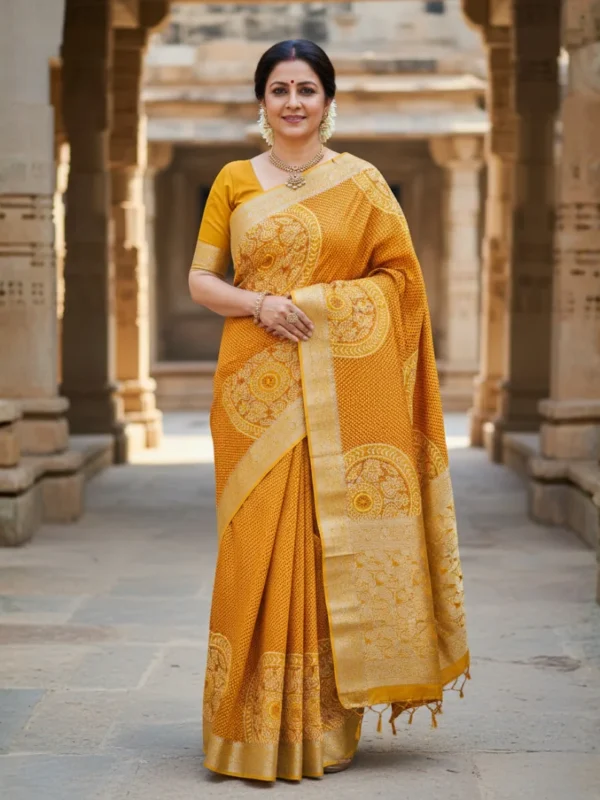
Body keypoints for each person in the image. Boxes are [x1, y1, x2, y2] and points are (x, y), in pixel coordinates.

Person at [188, 39, 469, 783]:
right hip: (252, 393)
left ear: (327, 100)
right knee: (254, 551)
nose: (292, 103)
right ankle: (242, 729)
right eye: (279, 89)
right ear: (262, 101)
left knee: (324, 549)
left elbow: (401, 286)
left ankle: (319, 730)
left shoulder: (364, 185)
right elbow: (199, 280)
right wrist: (262, 304)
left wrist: (314, 306)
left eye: (306, 89)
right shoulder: (232, 181)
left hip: (340, 393)